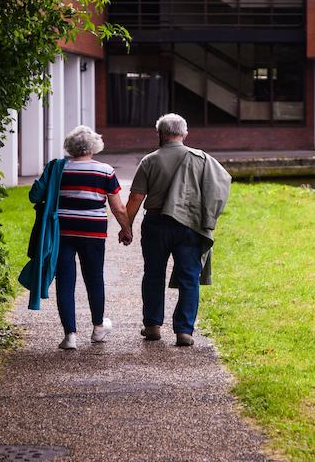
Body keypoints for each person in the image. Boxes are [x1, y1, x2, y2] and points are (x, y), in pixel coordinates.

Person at [122, 114, 231, 347]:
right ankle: (184, 331)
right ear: (185, 133)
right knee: (189, 277)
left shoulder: (150, 160)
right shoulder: (202, 159)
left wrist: (126, 227)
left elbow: (136, 198)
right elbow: (217, 189)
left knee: (153, 274)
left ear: (160, 134)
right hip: (189, 226)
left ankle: (152, 326)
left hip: (156, 224)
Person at [52, 125, 131, 350]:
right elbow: (118, 207)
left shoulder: (59, 169)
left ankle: (70, 336)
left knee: (65, 281)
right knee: (94, 277)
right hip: (92, 232)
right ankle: (98, 328)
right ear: (94, 146)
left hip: (63, 231)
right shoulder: (104, 170)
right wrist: (126, 229)